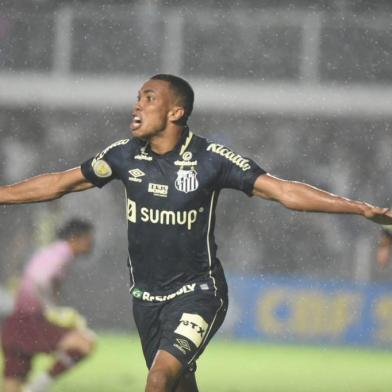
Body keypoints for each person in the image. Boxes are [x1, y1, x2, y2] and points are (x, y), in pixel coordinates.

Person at [0, 74, 391, 392]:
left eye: (148, 98)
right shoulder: (123, 155)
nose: (137, 104)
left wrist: (355, 208)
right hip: (146, 298)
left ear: (176, 111)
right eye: (138, 96)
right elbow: (59, 183)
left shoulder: (211, 160)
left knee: (158, 379)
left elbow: (284, 191)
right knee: (179, 384)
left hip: (198, 292)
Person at [1, 219, 96, 392]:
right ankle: (34, 389)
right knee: (84, 343)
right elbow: (39, 279)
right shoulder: (61, 253)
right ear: (75, 238)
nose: (92, 243)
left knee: (13, 380)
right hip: (31, 319)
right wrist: (52, 310)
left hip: (16, 321)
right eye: (89, 238)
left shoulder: (52, 251)